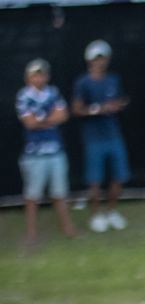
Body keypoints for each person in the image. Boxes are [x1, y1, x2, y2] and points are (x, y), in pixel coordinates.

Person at [15, 59, 77, 246]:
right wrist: (49, 120)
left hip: (56, 152)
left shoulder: (54, 92)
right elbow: (29, 122)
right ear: (28, 77)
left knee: (60, 193)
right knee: (32, 195)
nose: (39, 78)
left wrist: (41, 119)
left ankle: (67, 228)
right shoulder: (23, 96)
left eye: (42, 74)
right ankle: (32, 232)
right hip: (34, 155)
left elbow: (63, 115)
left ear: (47, 76)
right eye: (35, 74)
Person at [71, 40, 130, 233]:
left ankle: (111, 212)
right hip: (93, 138)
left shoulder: (114, 80)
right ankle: (96, 215)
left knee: (119, 177)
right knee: (95, 180)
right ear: (90, 60)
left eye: (103, 58)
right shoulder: (82, 82)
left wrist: (118, 105)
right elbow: (77, 109)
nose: (100, 62)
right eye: (97, 58)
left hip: (114, 135)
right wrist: (98, 109)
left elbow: (120, 101)